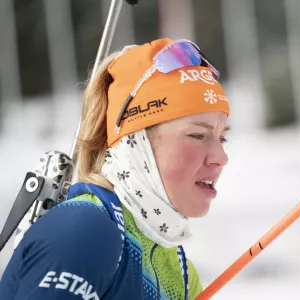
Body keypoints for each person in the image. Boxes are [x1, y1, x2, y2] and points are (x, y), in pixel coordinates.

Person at [0, 38, 230, 299]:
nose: (221, 157)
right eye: (198, 136)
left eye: (222, 138)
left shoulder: (182, 274)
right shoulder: (86, 228)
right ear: (137, 143)